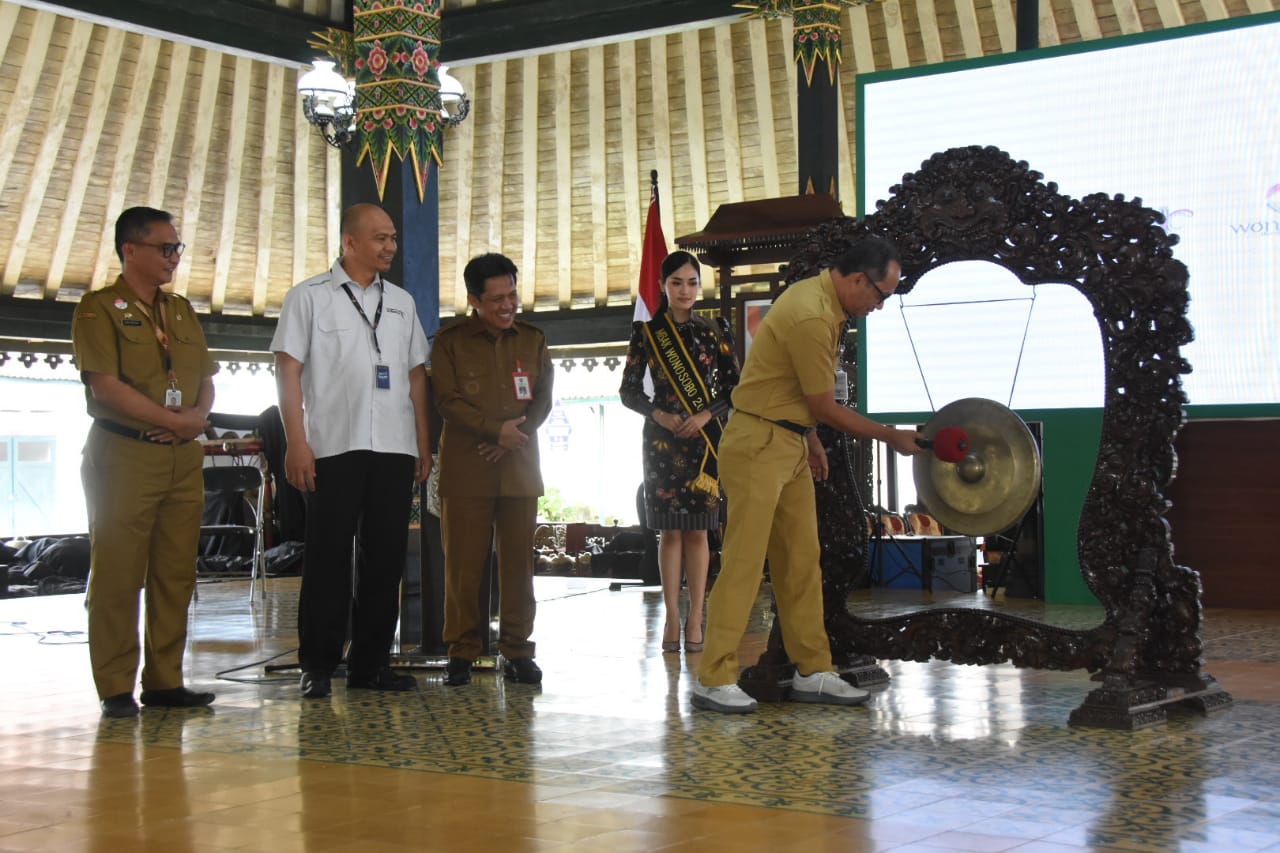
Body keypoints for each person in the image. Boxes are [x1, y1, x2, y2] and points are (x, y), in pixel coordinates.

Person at [692, 236, 926, 713]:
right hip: (757, 444)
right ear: (859, 279)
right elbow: (825, 405)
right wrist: (891, 436)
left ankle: (813, 670)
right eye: (881, 295)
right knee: (744, 560)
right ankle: (712, 677)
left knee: (802, 560)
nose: (879, 306)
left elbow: (793, 392)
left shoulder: (826, 306)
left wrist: (810, 439)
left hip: (789, 439)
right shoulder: (811, 314)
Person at [271, 203, 431, 700]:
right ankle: (317, 664)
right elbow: (288, 370)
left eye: (393, 238)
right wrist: (297, 440)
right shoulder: (309, 298)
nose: (390, 246)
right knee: (328, 556)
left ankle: (371, 665)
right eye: (380, 238)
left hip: (393, 447)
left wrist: (423, 443)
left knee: (386, 559)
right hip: (331, 447)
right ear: (350, 242)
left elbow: (415, 375)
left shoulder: (402, 303)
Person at [72, 206, 218, 718]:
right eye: (164, 248)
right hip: (125, 455)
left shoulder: (180, 311)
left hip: (182, 457)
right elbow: (105, 386)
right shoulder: (98, 309)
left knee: (175, 573)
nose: (173, 257)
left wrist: (196, 416)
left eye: (176, 248)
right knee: (118, 572)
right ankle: (115, 686)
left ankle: (164, 681)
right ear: (130, 249)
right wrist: (171, 419)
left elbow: (204, 377)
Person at [432, 253, 553, 687]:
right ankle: (462, 653)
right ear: (474, 300)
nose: (508, 305)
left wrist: (513, 435)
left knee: (519, 566)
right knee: (464, 566)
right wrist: (492, 432)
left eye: (512, 294)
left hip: (519, 466)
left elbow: (541, 398)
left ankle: (518, 652)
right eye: (497, 298)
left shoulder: (533, 340)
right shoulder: (449, 342)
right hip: (467, 471)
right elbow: (447, 401)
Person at [619, 251, 739, 654]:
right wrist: (661, 415)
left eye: (691, 282)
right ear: (662, 286)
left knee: (699, 531)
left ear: (698, 286)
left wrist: (706, 415)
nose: (685, 290)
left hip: (705, 442)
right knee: (670, 531)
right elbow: (629, 391)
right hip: (662, 441)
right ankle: (672, 616)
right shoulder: (647, 333)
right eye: (676, 283)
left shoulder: (715, 330)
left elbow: (735, 388)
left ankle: (696, 617)